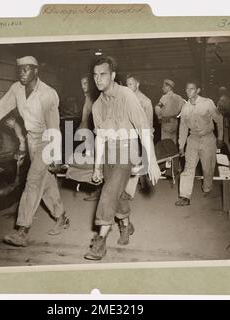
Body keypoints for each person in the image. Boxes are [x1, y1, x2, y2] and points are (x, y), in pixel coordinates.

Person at [0, 56, 69, 247]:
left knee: (33, 181)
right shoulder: (16, 89)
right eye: (19, 69)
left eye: (26, 69)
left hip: (47, 139)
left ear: (36, 71)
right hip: (32, 139)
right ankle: (62, 217)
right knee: (45, 184)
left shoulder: (47, 94)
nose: (22, 73)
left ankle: (22, 230)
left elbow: (54, 126)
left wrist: (55, 155)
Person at [84, 56, 161, 260]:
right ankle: (126, 225)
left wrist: (151, 161)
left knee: (108, 193)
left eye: (103, 74)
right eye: (95, 75)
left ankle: (100, 242)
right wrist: (97, 167)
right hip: (109, 151)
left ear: (113, 75)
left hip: (128, 151)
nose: (98, 79)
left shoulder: (127, 95)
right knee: (116, 195)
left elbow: (143, 128)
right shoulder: (97, 106)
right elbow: (100, 137)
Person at [175, 80, 224, 206]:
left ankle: (207, 188)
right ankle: (184, 196)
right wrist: (181, 145)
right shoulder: (185, 107)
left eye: (191, 89)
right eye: (187, 89)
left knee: (208, 168)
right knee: (188, 168)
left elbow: (219, 120)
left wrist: (220, 138)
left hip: (208, 138)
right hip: (193, 139)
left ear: (198, 90)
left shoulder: (208, 103)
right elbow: (183, 127)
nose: (188, 91)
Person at [124, 74, 154, 198]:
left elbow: (149, 122)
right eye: (127, 84)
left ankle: (129, 193)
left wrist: (148, 138)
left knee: (137, 162)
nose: (128, 87)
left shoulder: (145, 101)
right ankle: (130, 189)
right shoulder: (125, 99)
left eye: (131, 84)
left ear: (137, 84)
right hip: (127, 135)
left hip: (140, 135)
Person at [155, 79, 185, 144]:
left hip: (166, 121)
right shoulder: (179, 97)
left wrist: (159, 116)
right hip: (174, 121)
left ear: (169, 87)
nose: (162, 88)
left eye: (164, 86)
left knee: (166, 140)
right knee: (173, 140)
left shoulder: (164, 97)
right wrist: (177, 115)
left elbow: (157, 108)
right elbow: (184, 107)